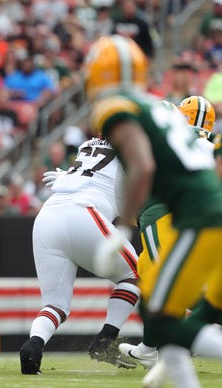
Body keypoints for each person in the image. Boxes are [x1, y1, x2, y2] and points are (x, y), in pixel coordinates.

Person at [89, 35, 222, 388]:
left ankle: (159, 353)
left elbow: (143, 168)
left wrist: (121, 229)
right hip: (205, 210)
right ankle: (163, 366)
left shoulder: (118, 108)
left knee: (167, 316)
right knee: (168, 313)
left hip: (192, 215)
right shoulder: (154, 108)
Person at [20, 137, 140, 375]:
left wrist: (66, 176)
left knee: (55, 305)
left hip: (48, 214)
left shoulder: (89, 144)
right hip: (83, 211)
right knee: (136, 274)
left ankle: (33, 345)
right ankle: (105, 340)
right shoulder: (133, 144)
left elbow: (94, 173)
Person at [117, 97, 216, 369]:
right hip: (201, 212)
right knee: (150, 272)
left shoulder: (168, 140)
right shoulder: (208, 142)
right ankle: (151, 347)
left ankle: (179, 340)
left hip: (172, 211)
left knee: (167, 282)